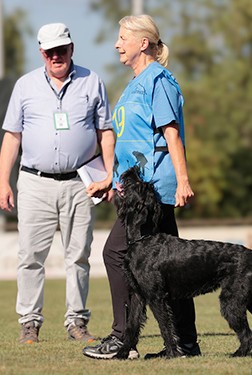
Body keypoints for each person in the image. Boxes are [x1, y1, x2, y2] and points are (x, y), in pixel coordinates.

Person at [83, 14, 200, 360]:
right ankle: (184, 343)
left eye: (123, 38)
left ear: (143, 43)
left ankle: (123, 339)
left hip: (152, 188)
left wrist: (183, 180)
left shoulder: (157, 81)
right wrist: (110, 178)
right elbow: (131, 142)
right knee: (170, 266)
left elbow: (171, 134)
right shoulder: (135, 82)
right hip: (134, 185)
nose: (117, 44)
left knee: (116, 253)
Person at [0, 22, 114, 344]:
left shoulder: (93, 81)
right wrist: (2, 182)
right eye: (49, 52)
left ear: (72, 48)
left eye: (61, 50)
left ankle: (77, 321)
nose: (56, 57)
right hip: (34, 182)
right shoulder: (25, 85)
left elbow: (105, 131)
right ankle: (29, 322)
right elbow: (12, 136)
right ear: (41, 52)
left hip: (81, 182)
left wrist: (110, 175)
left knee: (78, 254)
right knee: (30, 255)